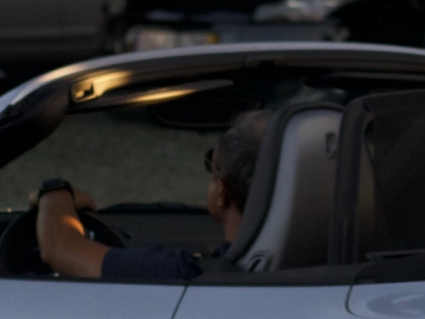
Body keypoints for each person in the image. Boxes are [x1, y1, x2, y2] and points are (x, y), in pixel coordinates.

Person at [35, 110, 269, 280]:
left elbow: (59, 249)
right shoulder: (302, 268)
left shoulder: (183, 274)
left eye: (212, 168)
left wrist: (55, 193)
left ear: (222, 193)